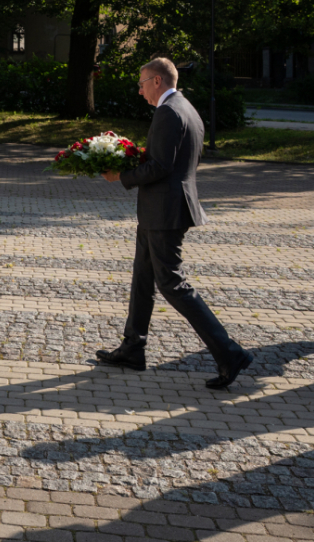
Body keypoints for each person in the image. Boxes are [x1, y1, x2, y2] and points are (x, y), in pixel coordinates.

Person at [96, 57, 254, 389]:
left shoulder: (168, 111)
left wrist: (120, 175)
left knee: (172, 284)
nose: (140, 92)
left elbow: (161, 167)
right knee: (143, 277)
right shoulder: (186, 108)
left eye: (141, 84)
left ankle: (229, 352)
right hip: (162, 210)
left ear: (156, 81)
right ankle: (132, 347)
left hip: (165, 212)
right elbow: (167, 158)